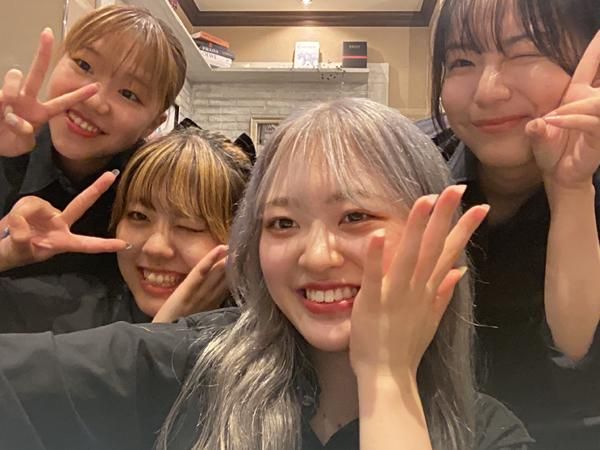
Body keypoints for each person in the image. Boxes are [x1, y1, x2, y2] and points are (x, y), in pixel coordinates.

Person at [0, 98, 532, 449]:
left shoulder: (489, 435)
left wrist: (386, 379)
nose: (316, 256)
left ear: (438, 231)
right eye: (282, 223)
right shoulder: (186, 367)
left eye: (355, 217)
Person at [429, 0, 600, 447]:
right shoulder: (412, 169)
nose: (488, 92)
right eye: (461, 61)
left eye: (524, 53)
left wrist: (569, 190)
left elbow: (577, 358)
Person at [0, 5, 186, 287]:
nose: (94, 101)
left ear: (153, 125)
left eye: (129, 94)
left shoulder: (156, 194)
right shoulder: (7, 146)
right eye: (84, 65)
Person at [0, 127, 251, 331]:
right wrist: (4, 255)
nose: (155, 247)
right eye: (138, 216)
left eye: (190, 227)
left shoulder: (262, 345)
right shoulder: (70, 308)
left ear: (240, 238)